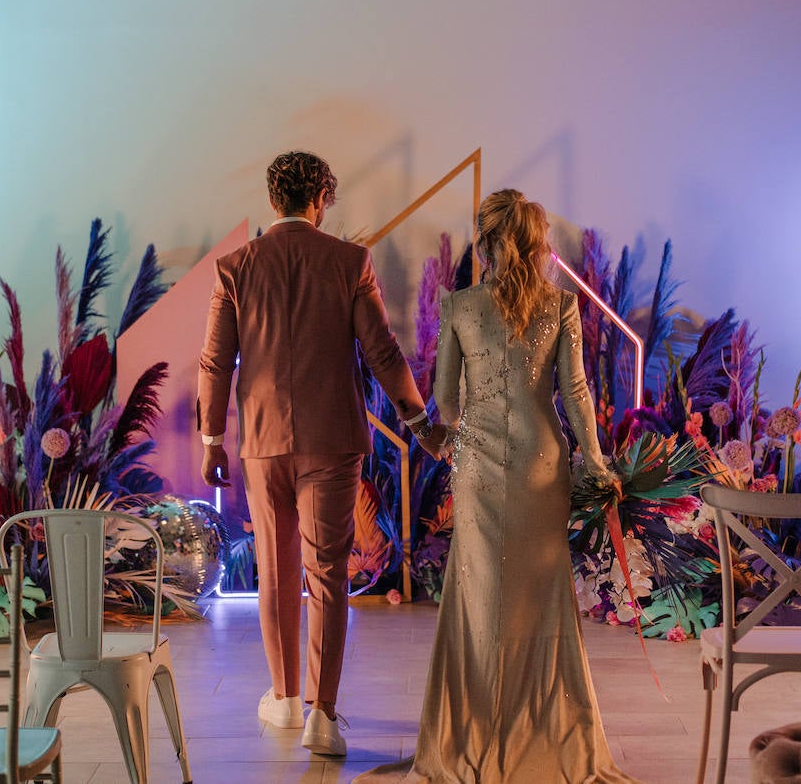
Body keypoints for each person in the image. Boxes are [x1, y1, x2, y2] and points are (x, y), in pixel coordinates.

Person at [357, 189, 638, 782]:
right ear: (537, 244)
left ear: (483, 240)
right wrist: (595, 458)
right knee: (541, 596)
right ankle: (547, 731)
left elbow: (445, 400)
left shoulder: (459, 305)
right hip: (543, 461)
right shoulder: (561, 305)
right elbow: (578, 392)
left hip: (480, 466)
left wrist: (445, 433)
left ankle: (477, 730)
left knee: (481, 598)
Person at [197, 151, 443, 758]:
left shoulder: (235, 266)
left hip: (260, 441)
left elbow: (214, 361)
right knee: (326, 574)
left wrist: (211, 440)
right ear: (321, 201)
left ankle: (282, 700)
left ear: (272, 201)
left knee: (275, 570)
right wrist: (418, 420)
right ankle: (323, 716)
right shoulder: (349, 261)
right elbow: (382, 351)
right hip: (332, 439)